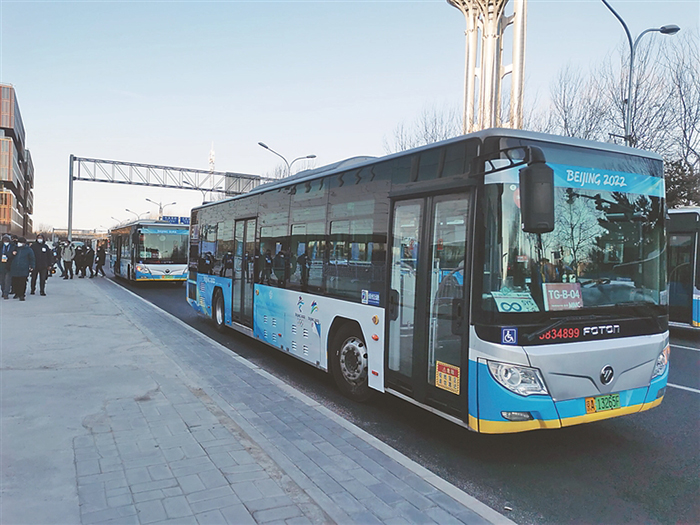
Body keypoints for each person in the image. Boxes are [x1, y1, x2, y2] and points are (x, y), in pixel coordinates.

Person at [9, 236, 35, 301]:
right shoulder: (14, 248)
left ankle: (22, 294)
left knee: (22, 282)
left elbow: (32, 258)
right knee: (15, 282)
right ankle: (16, 293)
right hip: (14, 268)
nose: (19, 244)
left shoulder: (28, 250)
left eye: (21, 242)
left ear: (24, 243)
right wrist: (12, 254)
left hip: (24, 268)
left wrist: (32, 266)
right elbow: (9, 256)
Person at [0, 234, 15, 299]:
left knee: (7, 281)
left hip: (9, 265)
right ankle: (3, 291)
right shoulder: (1, 246)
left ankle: (6, 293)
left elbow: (13, 255)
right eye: (4, 240)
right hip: (1, 266)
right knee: (2, 281)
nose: (5, 241)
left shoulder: (13, 247)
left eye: (7, 240)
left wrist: (7, 254)